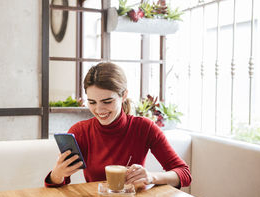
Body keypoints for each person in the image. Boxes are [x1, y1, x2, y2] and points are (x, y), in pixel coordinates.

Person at [45, 62, 191, 189]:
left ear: (124, 95)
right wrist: (57, 174)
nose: (99, 110)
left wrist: (151, 177)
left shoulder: (144, 128)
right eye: (92, 102)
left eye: (107, 101)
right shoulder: (80, 132)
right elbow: (58, 185)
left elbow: (184, 173)